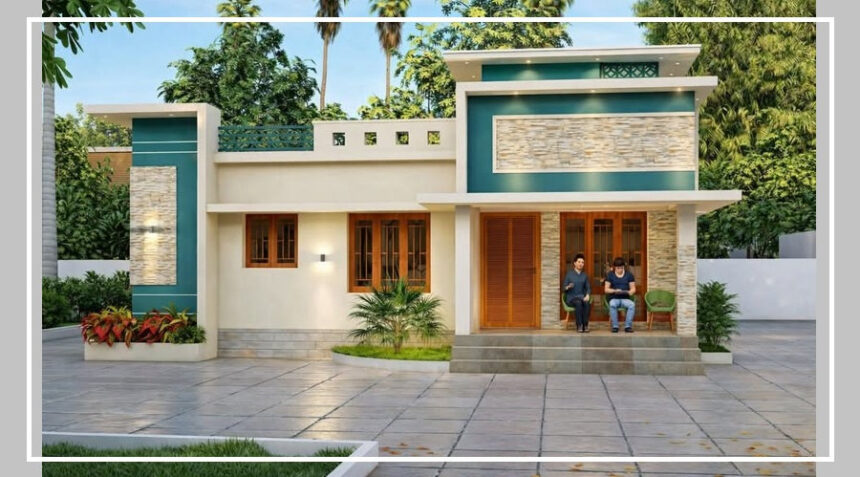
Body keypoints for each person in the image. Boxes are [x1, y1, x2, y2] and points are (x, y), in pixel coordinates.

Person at [605, 257, 636, 333]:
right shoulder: (610, 275)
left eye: (621, 268)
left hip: (625, 298)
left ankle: (628, 326)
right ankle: (615, 326)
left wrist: (630, 292)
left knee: (632, 305)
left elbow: (633, 288)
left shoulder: (629, 275)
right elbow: (606, 289)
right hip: (614, 298)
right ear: (615, 267)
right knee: (612, 304)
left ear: (624, 266)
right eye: (618, 268)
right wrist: (615, 290)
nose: (620, 270)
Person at [562, 253, 591, 333]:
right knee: (578, 303)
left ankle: (585, 325)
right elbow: (564, 288)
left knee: (587, 303)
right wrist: (568, 287)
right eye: (579, 262)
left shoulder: (584, 275)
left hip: (581, 297)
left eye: (582, 262)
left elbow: (588, 287)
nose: (581, 264)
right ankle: (579, 325)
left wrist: (587, 295)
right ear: (575, 263)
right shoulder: (569, 274)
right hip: (571, 298)